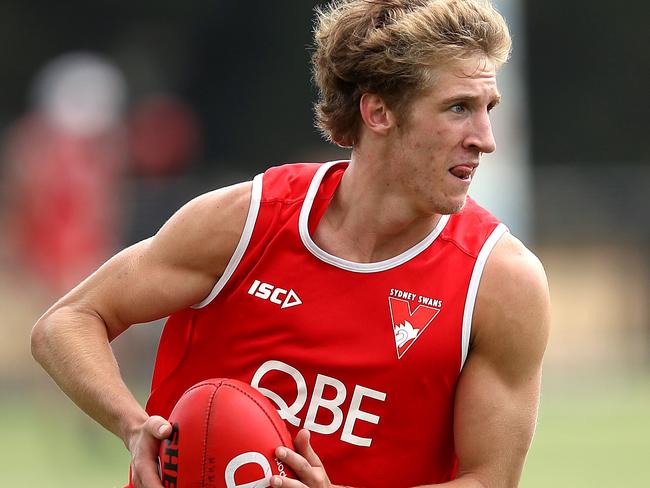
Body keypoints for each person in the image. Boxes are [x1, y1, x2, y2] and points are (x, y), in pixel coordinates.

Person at [31, 1, 550, 487]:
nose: (485, 137)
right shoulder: (247, 224)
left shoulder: (499, 282)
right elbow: (66, 322)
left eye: (488, 107)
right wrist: (132, 424)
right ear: (379, 113)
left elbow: (489, 480)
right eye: (459, 108)